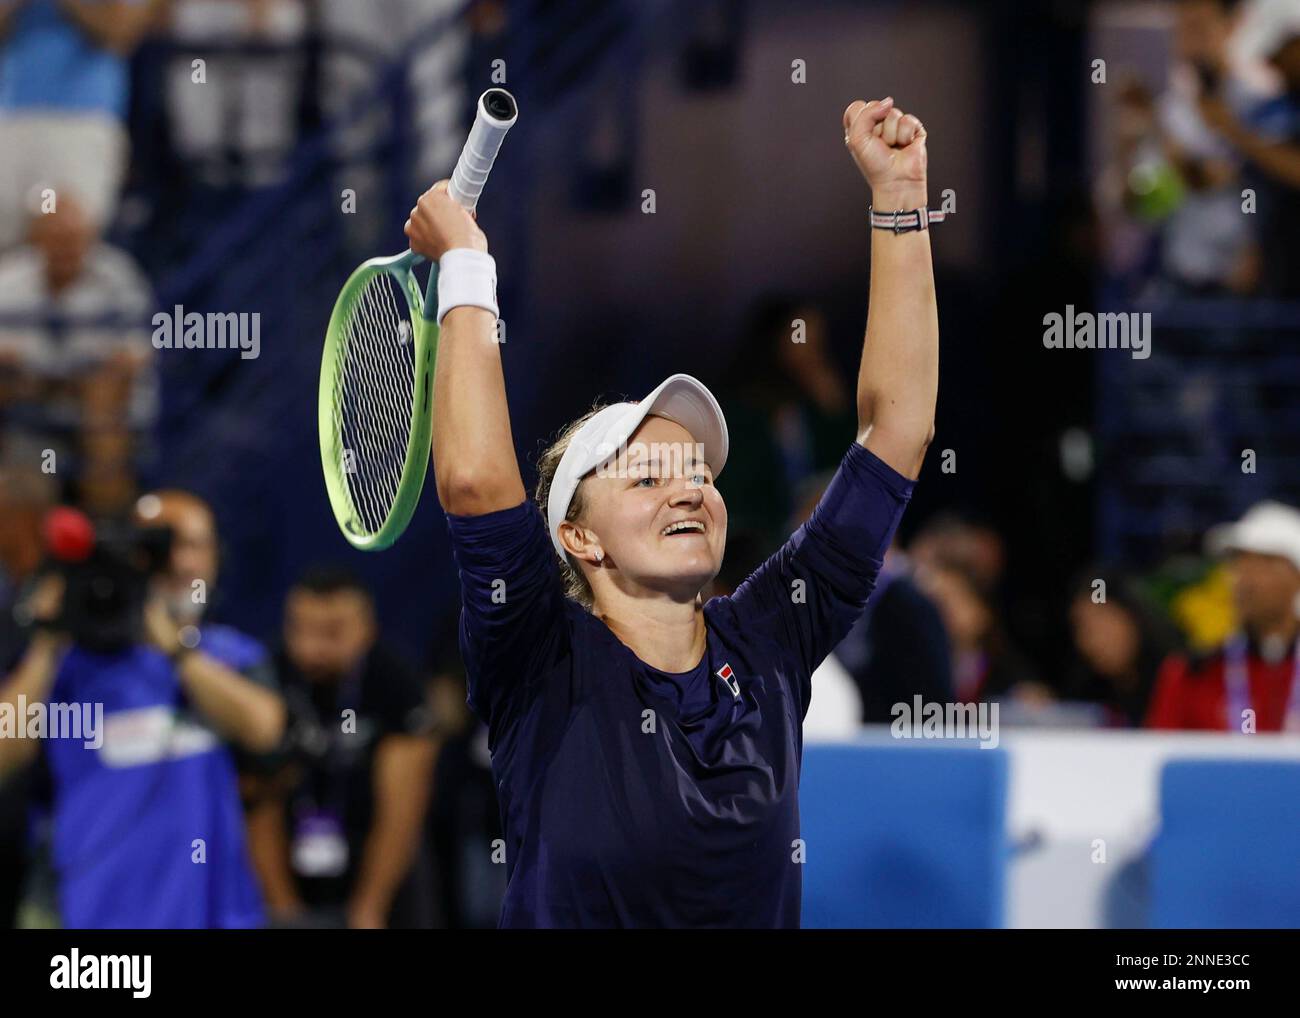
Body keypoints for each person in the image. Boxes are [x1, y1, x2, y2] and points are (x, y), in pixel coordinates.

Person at [404, 94, 937, 927]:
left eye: (697, 472)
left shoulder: (772, 637)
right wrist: (466, 266)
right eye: (647, 476)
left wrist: (901, 204)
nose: (689, 487)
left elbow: (898, 431)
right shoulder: (538, 653)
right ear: (577, 536)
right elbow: (475, 483)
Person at [0, 489, 284, 927]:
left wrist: (174, 648)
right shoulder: (72, 666)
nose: (179, 563)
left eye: (193, 545)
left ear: (214, 558)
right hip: (95, 924)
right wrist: (48, 637)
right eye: (161, 547)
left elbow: (265, 729)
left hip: (216, 913)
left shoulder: (230, 655)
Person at [245, 567, 438, 929]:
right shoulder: (266, 678)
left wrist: (369, 910)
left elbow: (403, 810)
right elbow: (259, 804)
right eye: (298, 629)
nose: (311, 648)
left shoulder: (395, 682)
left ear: (367, 629)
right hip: (289, 878)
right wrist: (285, 912)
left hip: (383, 881)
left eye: (331, 633)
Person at [1147, 501, 1300, 732]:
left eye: (1265, 565)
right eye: (1240, 564)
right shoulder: (1192, 675)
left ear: (1296, 578)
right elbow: (1157, 756)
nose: (1245, 580)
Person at [1062, 568, 1183, 727]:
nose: (1093, 639)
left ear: (1132, 616)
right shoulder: (1089, 691)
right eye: (1083, 627)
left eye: (1103, 621)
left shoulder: (1178, 677)